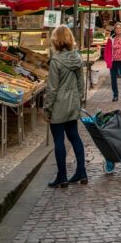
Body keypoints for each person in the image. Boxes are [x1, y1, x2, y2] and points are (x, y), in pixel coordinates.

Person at [44, 25, 87, 188]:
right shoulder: (77, 57)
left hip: (59, 105)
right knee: (74, 136)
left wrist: (47, 109)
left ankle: (62, 176)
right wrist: (79, 99)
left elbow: (52, 88)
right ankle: (81, 172)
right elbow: (80, 82)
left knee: (59, 140)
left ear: (56, 40)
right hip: (72, 103)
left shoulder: (56, 61)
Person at [102, 22, 121, 102]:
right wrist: (108, 61)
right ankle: (115, 95)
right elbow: (107, 51)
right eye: (117, 28)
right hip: (113, 61)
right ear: (114, 30)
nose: (118, 30)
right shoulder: (111, 39)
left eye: (120, 28)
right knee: (113, 79)